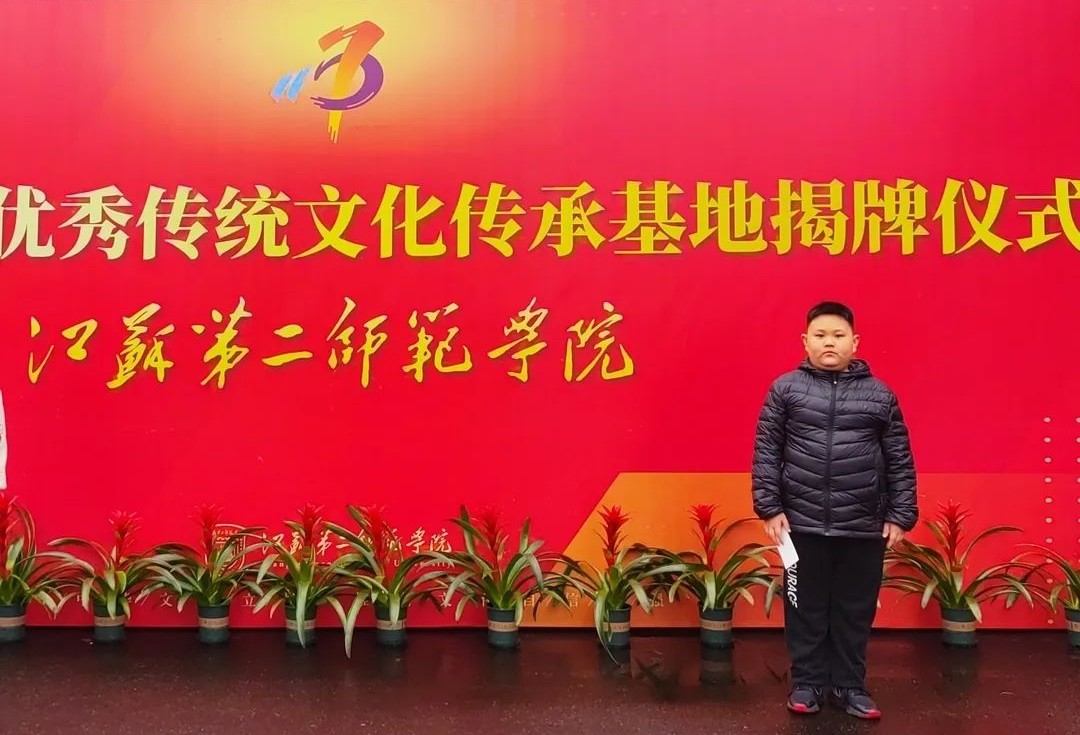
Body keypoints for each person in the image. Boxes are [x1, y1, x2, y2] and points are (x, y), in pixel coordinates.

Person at [751, 301, 917, 720]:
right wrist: (769, 507)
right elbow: (767, 451)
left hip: (863, 524)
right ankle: (806, 684)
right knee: (803, 607)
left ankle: (849, 687)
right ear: (805, 341)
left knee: (854, 610)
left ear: (854, 342)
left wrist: (900, 514)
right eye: (821, 335)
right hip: (801, 522)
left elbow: (899, 458)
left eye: (839, 335)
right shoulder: (785, 389)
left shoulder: (880, 395)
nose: (830, 342)